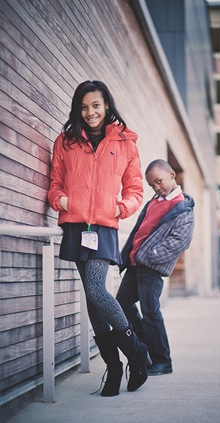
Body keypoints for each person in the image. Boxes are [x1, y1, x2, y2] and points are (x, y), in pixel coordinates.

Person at [48, 80, 149, 397]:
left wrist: (121, 207)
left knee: (95, 289)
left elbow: (135, 190)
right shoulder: (65, 142)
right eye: (84, 106)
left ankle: (135, 352)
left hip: (104, 226)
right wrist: (61, 201)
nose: (90, 112)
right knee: (93, 300)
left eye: (95, 105)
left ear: (107, 106)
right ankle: (114, 367)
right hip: (76, 225)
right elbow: (55, 183)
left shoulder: (126, 144)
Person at [116, 159, 195, 376]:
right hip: (135, 264)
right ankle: (146, 350)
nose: (156, 187)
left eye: (159, 181)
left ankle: (162, 361)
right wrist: (126, 256)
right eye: (152, 184)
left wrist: (150, 256)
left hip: (151, 266)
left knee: (151, 312)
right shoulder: (154, 202)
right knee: (121, 304)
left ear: (172, 174)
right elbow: (139, 232)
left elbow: (180, 241)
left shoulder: (182, 207)